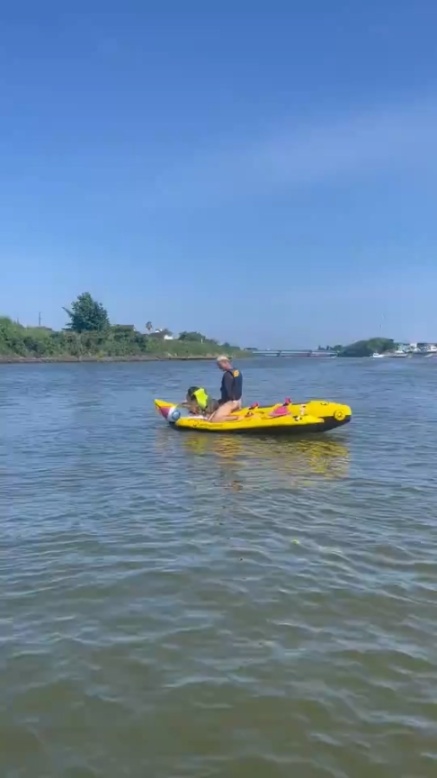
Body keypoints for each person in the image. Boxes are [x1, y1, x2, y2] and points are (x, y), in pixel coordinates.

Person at [208, 355, 243, 422]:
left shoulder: (227, 375)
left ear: (224, 362)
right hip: (238, 401)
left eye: (219, 365)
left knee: (214, 419)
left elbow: (228, 392)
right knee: (211, 416)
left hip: (231, 403)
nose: (219, 367)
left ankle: (237, 418)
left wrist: (223, 404)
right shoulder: (237, 371)